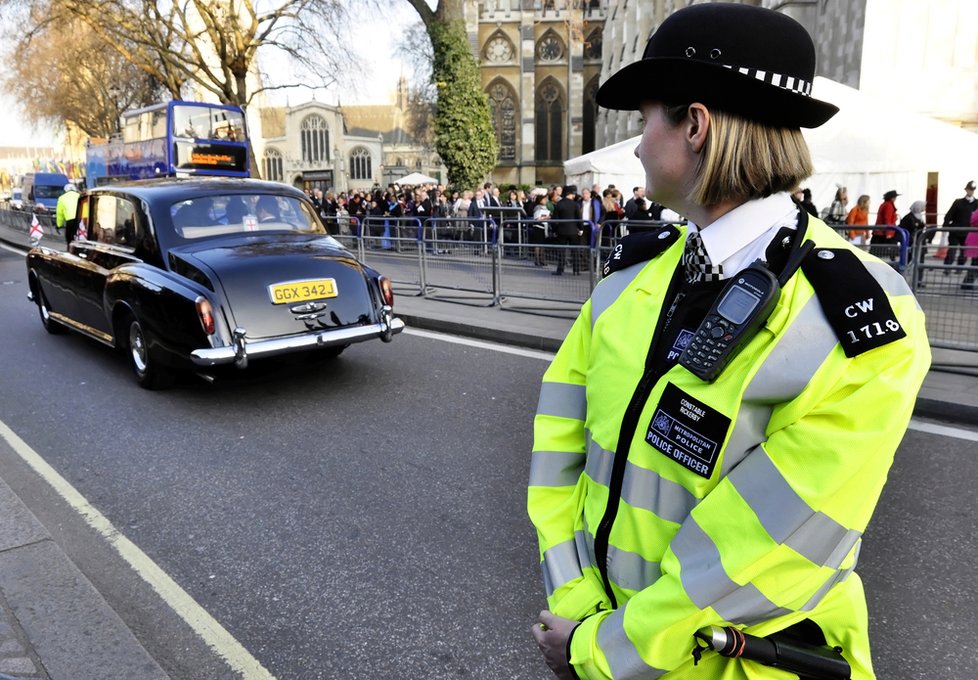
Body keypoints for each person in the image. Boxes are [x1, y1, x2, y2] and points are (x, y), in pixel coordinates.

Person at [527, 5, 930, 679]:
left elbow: (753, 550)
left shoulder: (863, 320)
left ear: (696, 125)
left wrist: (597, 649)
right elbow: (557, 457)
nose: (635, 146)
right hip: (597, 634)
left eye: (646, 118)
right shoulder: (628, 281)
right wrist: (580, 605)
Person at [942, 180, 977, 270]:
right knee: (952, 250)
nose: (970, 192)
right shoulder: (958, 202)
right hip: (955, 230)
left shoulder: (976, 203)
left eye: (972, 190)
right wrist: (945, 227)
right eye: (969, 189)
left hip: (968, 232)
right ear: (966, 190)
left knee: (964, 251)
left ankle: (959, 268)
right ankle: (947, 267)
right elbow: (949, 215)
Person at [551, 185, 583, 275]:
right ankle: (576, 270)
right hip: (573, 231)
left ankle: (560, 270)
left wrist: (554, 230)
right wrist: (581, 229)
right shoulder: (575, 205)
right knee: (575, 251)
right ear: (571, 194)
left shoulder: (559, 204)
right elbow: (579, 218)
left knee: (561, 251)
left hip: (561, 231)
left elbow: (554, 219)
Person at [872, 190, 900, 260]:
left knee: (877, 252)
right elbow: (887, 219)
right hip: (884, 233)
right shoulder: (888, 205)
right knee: (889, 252)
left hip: (880, 231)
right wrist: (889, 233)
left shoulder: (884, 204)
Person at [899, 199, 927, 264]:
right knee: (908, 257)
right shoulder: (909, 217)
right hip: (912, 240)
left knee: (920, 255)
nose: (924, 208)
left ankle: (919, 271)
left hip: (918, 239)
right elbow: (912, 227)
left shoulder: (918, 216)